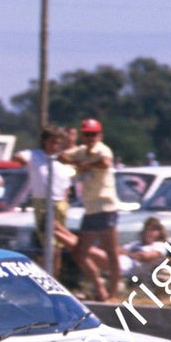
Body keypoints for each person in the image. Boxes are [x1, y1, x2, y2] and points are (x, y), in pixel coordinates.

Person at [60, 118, 122, 301]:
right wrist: (74, 158)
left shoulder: (102, 149)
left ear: (99, 135)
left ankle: (112, 293)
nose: (90, 138)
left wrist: (85, 164)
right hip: (90, 210)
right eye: (87, 134)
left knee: (111, 252)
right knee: (79, 252)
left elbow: (105, 163)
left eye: (93, 134)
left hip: (105, 207)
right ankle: (100, 287)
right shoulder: (81, 151)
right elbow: (62, 156)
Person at [20, 126, 78, 273]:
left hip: (60, 203)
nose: (55, 146)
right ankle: (46, 273)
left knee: (58, 246)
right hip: (43, 203)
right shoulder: (35, 155)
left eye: (58, 143)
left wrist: (65, 202)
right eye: (52, 142)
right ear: (45, 141)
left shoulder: (62, 159)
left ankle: (54, 276)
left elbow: (67, 184)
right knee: (49, 243)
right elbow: (19, 157)